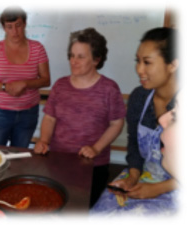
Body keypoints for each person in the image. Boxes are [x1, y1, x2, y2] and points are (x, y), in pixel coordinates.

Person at [33, 27, 126, 207]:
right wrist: (44, 140)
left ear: (97, 59)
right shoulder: (60, 85)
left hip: (92, 166)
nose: (73, 61)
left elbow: (116, 123)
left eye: (81, 57)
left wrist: (96, 149)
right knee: (58, 205)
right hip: (58, 161)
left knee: (85, 209)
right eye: (72, 55)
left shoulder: (109, 89)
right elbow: (50, 118)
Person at [91, 27, 178, 215]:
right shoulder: (139, 98)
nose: (139, 70)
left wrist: (158, 189)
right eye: (138, 61)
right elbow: (134, 144)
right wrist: (133, 176)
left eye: (147, 62)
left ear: (173, 64)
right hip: (145, 176)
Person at [0, 6, 51, 148]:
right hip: (0, 113)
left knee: (19, 158)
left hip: (28, 113)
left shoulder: (37, 48)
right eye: (9, 27)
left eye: (18, 25)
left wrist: (25, 83)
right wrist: (6, 87)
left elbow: (46, 80)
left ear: (24, 23)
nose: (14, 31)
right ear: (4, 28)